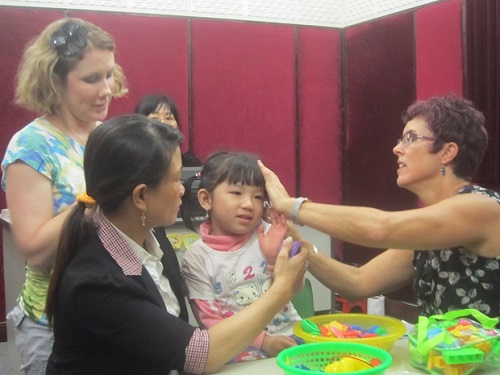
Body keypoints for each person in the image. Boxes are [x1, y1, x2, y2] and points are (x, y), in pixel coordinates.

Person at [44, 115, 307, 374]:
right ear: (141, 196)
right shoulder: (96, 282)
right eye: (174, 179)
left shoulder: (150, 234)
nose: (182, 188)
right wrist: (280, 289)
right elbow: (200, 355)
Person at [259, 95, 500, 319]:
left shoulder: (482, 207)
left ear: (447, 152)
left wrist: (290, 205)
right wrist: (298, 241)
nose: (397, 148)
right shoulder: (427, 233)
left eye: (411, 138)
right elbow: (358, 282)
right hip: (450, 363)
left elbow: (380, 229)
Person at [1, 17, 127, 374]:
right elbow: (35, 248)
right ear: (55, 81)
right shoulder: (32, 146)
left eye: (108, 74)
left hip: (110, 309)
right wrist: (93, 196)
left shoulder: (103, 135)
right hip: (54, 322)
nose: (106, 89)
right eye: (91, 79)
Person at [180, 151, 304, 363]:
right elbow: (211, 323)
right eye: (237, 193)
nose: (248, 204)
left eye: (257, 197)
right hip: (239, 351)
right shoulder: (196, 258)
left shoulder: (266, 233)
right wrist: (265, 341)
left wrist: (281, 255)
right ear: (206, 199)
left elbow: (295, 287)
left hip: (291, 335)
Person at [135, 93, 202, 167]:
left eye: (168, 118)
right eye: (154, 118)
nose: (163, 122)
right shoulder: (133, 161)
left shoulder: (190, 164)